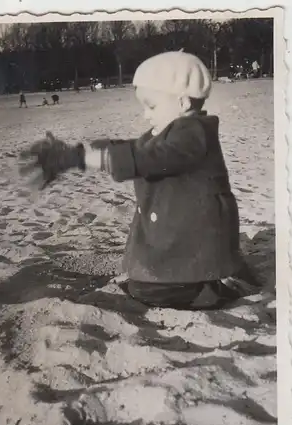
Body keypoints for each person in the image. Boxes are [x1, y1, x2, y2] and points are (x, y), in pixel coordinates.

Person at [22, 51, 257, 310]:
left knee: (151, 290)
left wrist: (84, 159)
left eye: (152, 106)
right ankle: (200, 285)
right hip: (176, 230)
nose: (146, 114)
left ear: (182, 103)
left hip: (194, 236)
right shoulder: (168, 131)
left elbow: (151, 157)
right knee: (145, 281)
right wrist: (80, 153)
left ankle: (211, 289)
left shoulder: (194, 134)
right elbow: (136, 147)